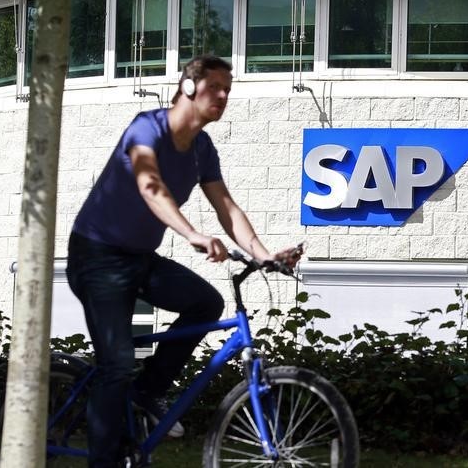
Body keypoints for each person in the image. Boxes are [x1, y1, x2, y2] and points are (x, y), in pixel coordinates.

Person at [66, 54, 298, 468]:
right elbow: (150, 186)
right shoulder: (146, 127)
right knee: (116, 364)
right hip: (96, 256)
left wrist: (265, 256)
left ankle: (146, 391)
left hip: (139, 259)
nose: (224, 96)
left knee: (206, 304)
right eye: (216, 88)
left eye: (229, 89)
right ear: (188, 88)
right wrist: (191, 233)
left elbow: (227, 208)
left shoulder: (201, 149)